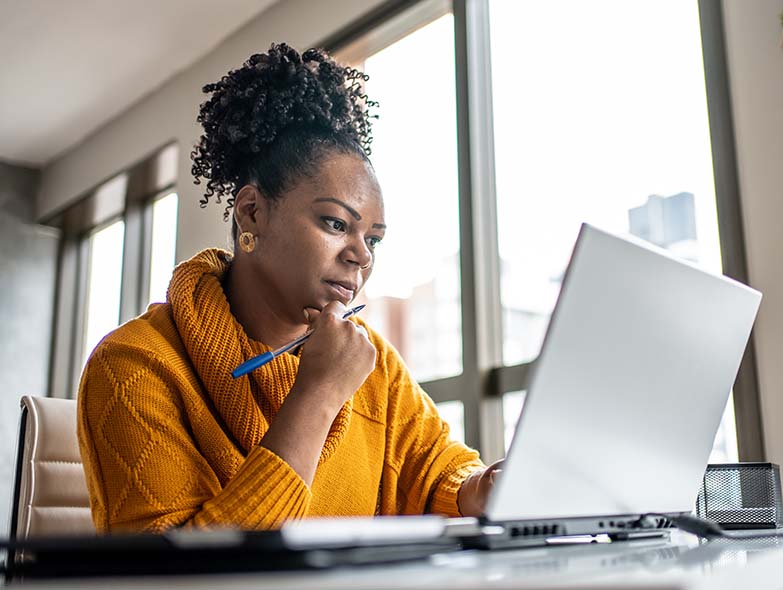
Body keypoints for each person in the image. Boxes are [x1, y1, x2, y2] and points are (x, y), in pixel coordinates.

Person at [77, 43, 499, 533]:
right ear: (252, 212)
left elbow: (437, 471)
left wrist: (478, 488)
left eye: (374, 239)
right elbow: (175, 581)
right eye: (336, 223)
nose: (361, 255)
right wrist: (318, 394)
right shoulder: (135, 365)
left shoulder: (373, 364)